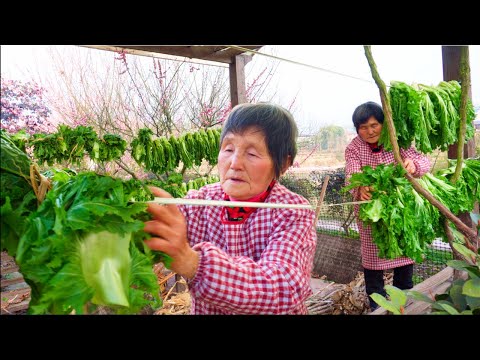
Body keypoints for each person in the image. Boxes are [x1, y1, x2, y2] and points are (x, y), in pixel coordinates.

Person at [143, 103, 317, 314]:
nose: (235, 163)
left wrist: (192, 262)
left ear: (283, 164)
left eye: (252, 154)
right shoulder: (199, 202)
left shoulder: (292, 211)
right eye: (228, 149)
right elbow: (156, 226)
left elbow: (284, 289)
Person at [344, 101, 431, 311]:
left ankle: (405, 303)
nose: (370, 131)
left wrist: (414, 165)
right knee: (373, 259)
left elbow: (424, 161)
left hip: (401, 211)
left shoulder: (396, 140)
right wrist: (360, 187)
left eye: (374, 125)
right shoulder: (354, 147)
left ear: (383, 124)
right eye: (363, 127)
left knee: (404, 251)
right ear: (357, 130)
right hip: (371, 215)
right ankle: (377, 305)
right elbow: (351, 174)